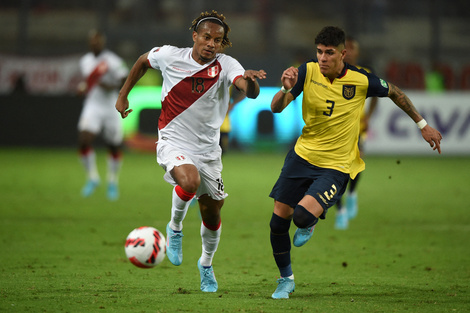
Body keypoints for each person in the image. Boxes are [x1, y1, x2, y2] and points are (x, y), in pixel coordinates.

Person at [268, 26, 442, 299]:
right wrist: (284, 88)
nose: (322, 58)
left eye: (329, 53)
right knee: (278, 222)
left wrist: (423, 125)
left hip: (337, 165)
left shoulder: (361, 80)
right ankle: (285, 279)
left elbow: (395, 92)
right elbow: (276, 107)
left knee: (301, 217)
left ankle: (313, 218)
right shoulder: (306, 72)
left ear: (343, 54)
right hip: (302, 156)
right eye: (319, 52)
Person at [115, 11, 266, 292]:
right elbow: (141, 61)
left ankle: (206, 265)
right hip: (173, 140)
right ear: (195, 36)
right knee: (189, 181)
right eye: (206, 37)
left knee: (212, 213)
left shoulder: (226, 64)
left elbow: (249, 89)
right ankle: (175, 228)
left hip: (209, 150)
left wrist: (252, 80)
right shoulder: (170, 56)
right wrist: (123, 94)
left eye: (217, 40)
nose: (211, 44)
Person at [77, 30, 128, 201]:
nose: (95, 44)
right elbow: (88, 82)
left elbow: (125, 77)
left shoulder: (112, 60)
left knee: (113, 146)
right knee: (84, 140)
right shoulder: (85, 61)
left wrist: (112, 86)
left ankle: (112, 182)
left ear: (102, 42)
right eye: (92, 41)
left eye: (97, 41)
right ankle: (92, 178)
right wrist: (82, 88)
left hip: (111, 105)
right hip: (93, 105)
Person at [334, 36, 379, 229]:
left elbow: (377, 96)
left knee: (356, 165)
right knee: (333, 172)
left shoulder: (365, 74)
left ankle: (351, 193)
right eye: (347, 48)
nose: (350, 52)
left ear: (357, 53)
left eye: (353, 48)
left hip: (356, 130)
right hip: (333, 131)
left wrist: (368, 116)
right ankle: (340, 211)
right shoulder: (331, 72)